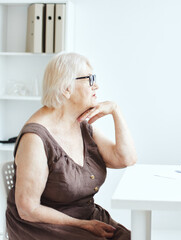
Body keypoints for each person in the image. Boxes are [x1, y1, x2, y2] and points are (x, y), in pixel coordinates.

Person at [6, 52, 137, 240]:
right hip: (45, 227)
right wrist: (83, 225)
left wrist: (115, 110)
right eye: (90, 79)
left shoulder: (81, 124)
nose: (96, 85)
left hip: (85, 217)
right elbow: (28, 209)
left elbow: (126, 158)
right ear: (66, 88)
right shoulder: (35, 139)